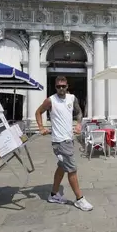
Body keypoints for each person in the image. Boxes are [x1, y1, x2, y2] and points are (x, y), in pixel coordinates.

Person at [35, 76, 93, 211]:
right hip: (59, 142)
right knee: (72, 170)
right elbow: (38, 112)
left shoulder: (72, 98)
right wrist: (41, 127)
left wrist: (79, 124)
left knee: (61, 168)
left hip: (69, 139)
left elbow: (79, 112)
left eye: (63, 86)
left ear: (67, 86)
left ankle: (53, 195)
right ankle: (80, 199)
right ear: (55, 87)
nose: (61, 89)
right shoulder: (50, 100)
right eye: (58, 86)